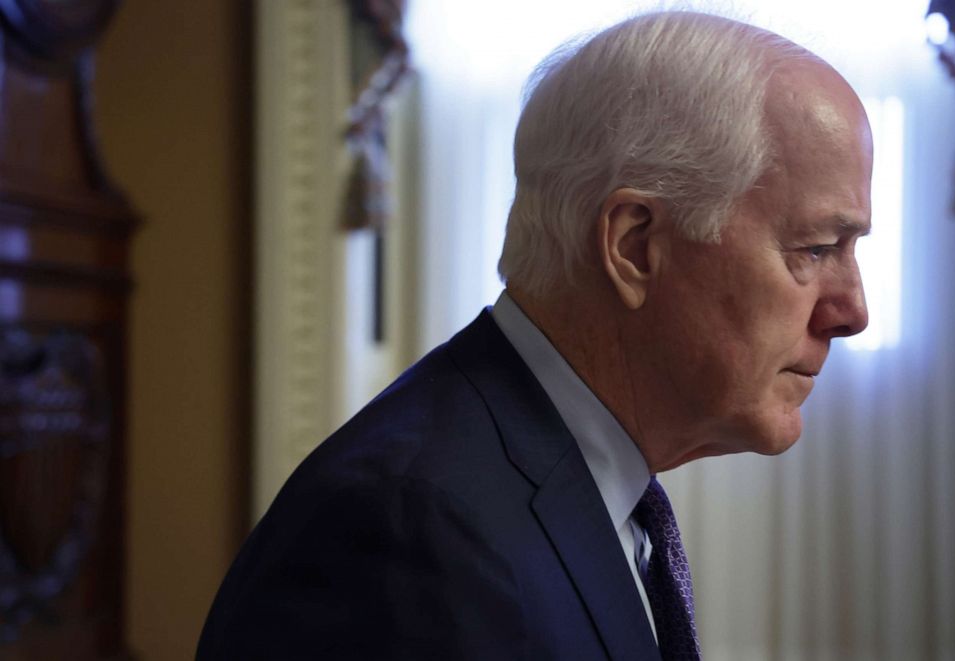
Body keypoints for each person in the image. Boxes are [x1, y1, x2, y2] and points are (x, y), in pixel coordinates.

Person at [197, 10, 871, 660]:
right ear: (635, 245)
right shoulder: (413, 536)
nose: (852, 309)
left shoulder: (566, 485)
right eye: (815, 248)